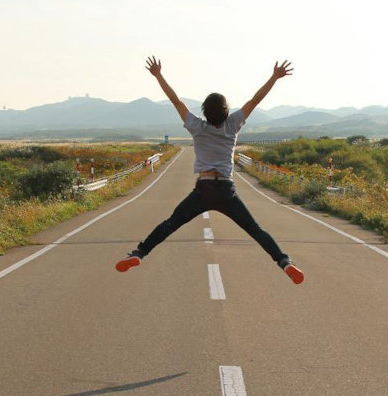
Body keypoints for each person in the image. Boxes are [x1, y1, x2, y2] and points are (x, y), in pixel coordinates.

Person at [115, 56, 303, 284]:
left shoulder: (197, 127)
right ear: (226, 111)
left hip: (203, 189)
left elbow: (176, 101)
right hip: (226, 189)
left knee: (171, 223)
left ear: (204, 111)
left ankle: (139, 253)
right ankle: (284, 261)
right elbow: (254, 101)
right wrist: (274, 77)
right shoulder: (232, 125)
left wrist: (158, 76)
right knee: (255, 229)